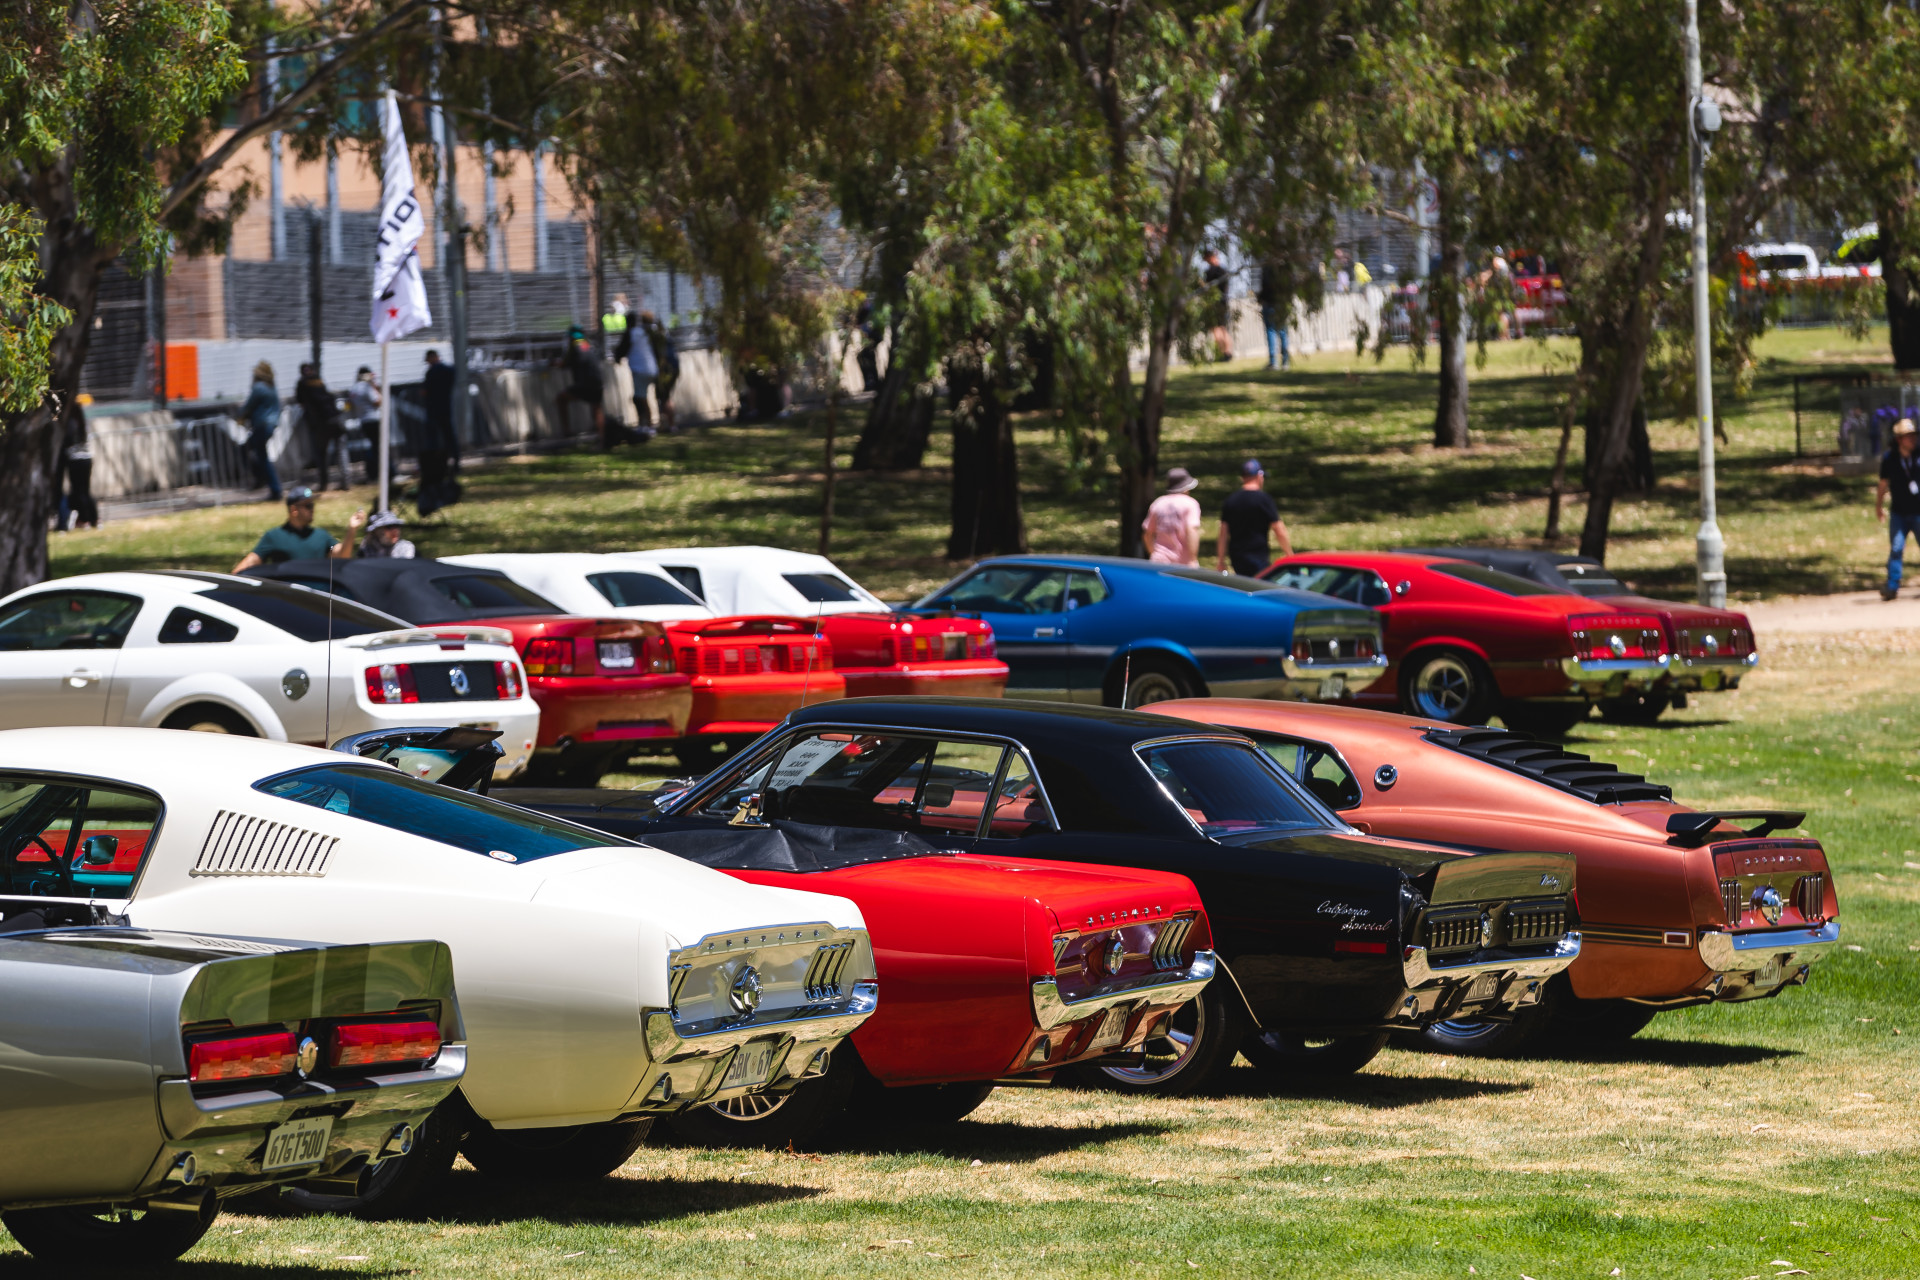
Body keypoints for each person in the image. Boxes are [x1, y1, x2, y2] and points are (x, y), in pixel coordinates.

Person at [232, 487, 362, 572]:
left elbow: (343, 556)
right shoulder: (274, 536)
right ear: (294, 510)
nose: (312, 509)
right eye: (308, 506)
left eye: (312, 505)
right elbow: (247, 565)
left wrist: (352, 530)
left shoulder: (321, 535)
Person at [1217, 458, 1292, 577]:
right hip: (1258, 556)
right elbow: (1278, 529)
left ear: (1243, 477)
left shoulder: (1231, 500)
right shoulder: (1264, 500)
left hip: (1237, 557)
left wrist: (1221, 560)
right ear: (1259, 476)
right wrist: (1289, 554)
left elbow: (1223, 533)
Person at [1877, 418, 1920, 599]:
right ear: (1899, 439)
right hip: (1899, 513)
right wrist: (1878, 506)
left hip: (1918, 512)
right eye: (1908, 436)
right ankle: (1892, 586)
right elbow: (1883, 484)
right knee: (1896, 548)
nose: (1913, 439)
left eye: (1914, 436)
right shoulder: (1890, 459)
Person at [418, 349, 460, 517]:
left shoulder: (431, 372)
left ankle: (436, 468)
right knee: (450, 438)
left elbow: (424, 391)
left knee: (433, 442)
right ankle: (455, 463)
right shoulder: (449, 370)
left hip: (433, 411)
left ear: (432, 358)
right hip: (446, 409)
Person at [295, 362, 348, 492]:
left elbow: (301, 403)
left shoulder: (302, 384)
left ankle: (324, 483)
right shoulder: (319, 381)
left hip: (320, 424)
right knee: (341, 450)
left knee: (321, 454)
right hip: (335, 419)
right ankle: (346, 480)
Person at [236, 360, 283, 500]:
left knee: (260, 456)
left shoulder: (259, 388)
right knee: (252, 451)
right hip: (270, 425)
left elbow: (248, 406)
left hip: (262, 425)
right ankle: (262, 479)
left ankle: (273, 488)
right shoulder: (271, 387)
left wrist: (240, 416)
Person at [556, 327, 609, 447]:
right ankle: (602, 439)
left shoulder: (574, 346)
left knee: (561, 399)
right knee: (597, 409)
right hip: (598, 382)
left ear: (571, 337)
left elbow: (564, 364)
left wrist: (554, 363)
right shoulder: (588, 345)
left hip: (584, 384)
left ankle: (566, 431)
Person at [1142, 467, 1203, 566]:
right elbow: (1192, 530)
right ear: (1186, 488)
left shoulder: (1158, 503)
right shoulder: (1190, 504)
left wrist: (1153, 553)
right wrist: (1192, 559)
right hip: (1183, 562)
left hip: (1159, 561)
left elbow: (1147, 534)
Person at [616, 309, 660, 439]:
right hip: (652, 369)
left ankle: (645, 425)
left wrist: (617, 357)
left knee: (638, 399)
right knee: (642, 397)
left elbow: (621, 350)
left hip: (641, 370)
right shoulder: (643, 332)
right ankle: (648, 425)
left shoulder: (631, 333)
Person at [61, 409, 98, 530]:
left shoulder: (71, 424)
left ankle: (84, 519)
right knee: (85, 490)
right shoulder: (83, 423)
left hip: (75, 459)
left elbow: (68, 441)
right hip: (87, 458)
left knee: (78, 491)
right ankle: (94, 518)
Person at [345, 365, 383, 484]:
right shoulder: (367, 386)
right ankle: (383, 472)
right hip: (374, 419)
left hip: (363, 421)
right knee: (379, 448)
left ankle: (372, 473)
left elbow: (349, 405)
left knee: (372, 447)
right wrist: (376, 388)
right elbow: (377, 402)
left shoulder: (354, 388)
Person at [647, 314, 681, 433]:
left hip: (666, 371)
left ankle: (671, 425)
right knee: (663, 397)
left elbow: (663, 357)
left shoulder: (659, 339)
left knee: (664, 397)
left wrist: (661, 371)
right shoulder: (666, 336)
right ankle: (666, 424)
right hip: (671, 370)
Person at [1256, 262, 1290, 372]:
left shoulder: (1268, 268)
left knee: (1271, 331)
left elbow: (1264, 287)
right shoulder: (1284, 267)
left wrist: (1260, 299)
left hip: (1269, 304)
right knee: (1283, 332)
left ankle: (1273, 362)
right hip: (1281, 304)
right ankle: (1285, 361)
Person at [1202, 250, 1232, 361]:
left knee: (1216, 328)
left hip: (1216, 304)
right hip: (1224, 302)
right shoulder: (1223, 270)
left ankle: (1223, 353)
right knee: (1223, 328)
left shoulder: (1211, 272)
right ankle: (1228, 353)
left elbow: (1206, 288)